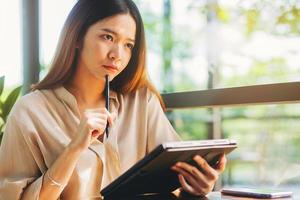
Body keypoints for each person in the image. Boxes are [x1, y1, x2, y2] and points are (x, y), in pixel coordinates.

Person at [0, 0, 226, 199]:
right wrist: (74, 149)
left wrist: (196, 185)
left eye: (128, 45)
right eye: (108, 37)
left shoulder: (142, 101)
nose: (117, 55)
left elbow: (175, 173)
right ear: (77, 37)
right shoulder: (29, 111)